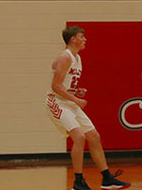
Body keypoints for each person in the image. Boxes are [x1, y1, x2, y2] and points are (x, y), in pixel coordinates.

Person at [46, 26, 131, 190]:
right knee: (79, 137)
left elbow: (61, 78)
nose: (85, 40)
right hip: (56, 101)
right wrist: (77, 99)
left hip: (69, 101)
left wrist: (76, 92)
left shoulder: (76, 58)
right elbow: (55, 86)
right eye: (82, 37)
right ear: (73, 39)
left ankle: (107, 178)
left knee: (94, 136)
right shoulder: (66, 57)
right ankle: (78, 182)